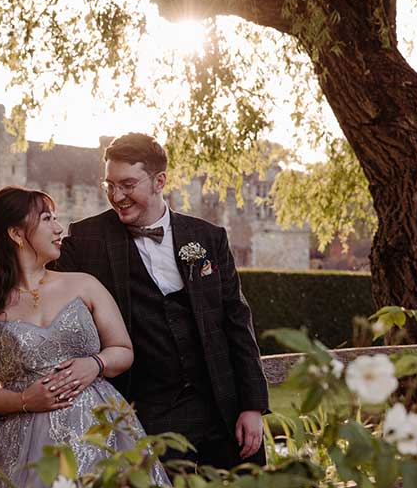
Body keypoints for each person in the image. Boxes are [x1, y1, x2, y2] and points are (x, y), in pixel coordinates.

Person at [0, 186, 168, 488]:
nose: (59, 228)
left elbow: (123, 350)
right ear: (17, 234)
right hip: (29, 452)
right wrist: (25, 400)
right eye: (47, 219)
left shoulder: (84, 284)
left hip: (102, 437)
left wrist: (96, 364)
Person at [54, 132, 269, 470]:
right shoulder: (87, 240)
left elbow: (236, 322)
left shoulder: (209, 238)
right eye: (109, 185)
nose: (117, 196)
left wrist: (252, 406)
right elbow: (34, 280)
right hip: (145, 417)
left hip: (222, 407)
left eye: (127, 184)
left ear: (159, 181)